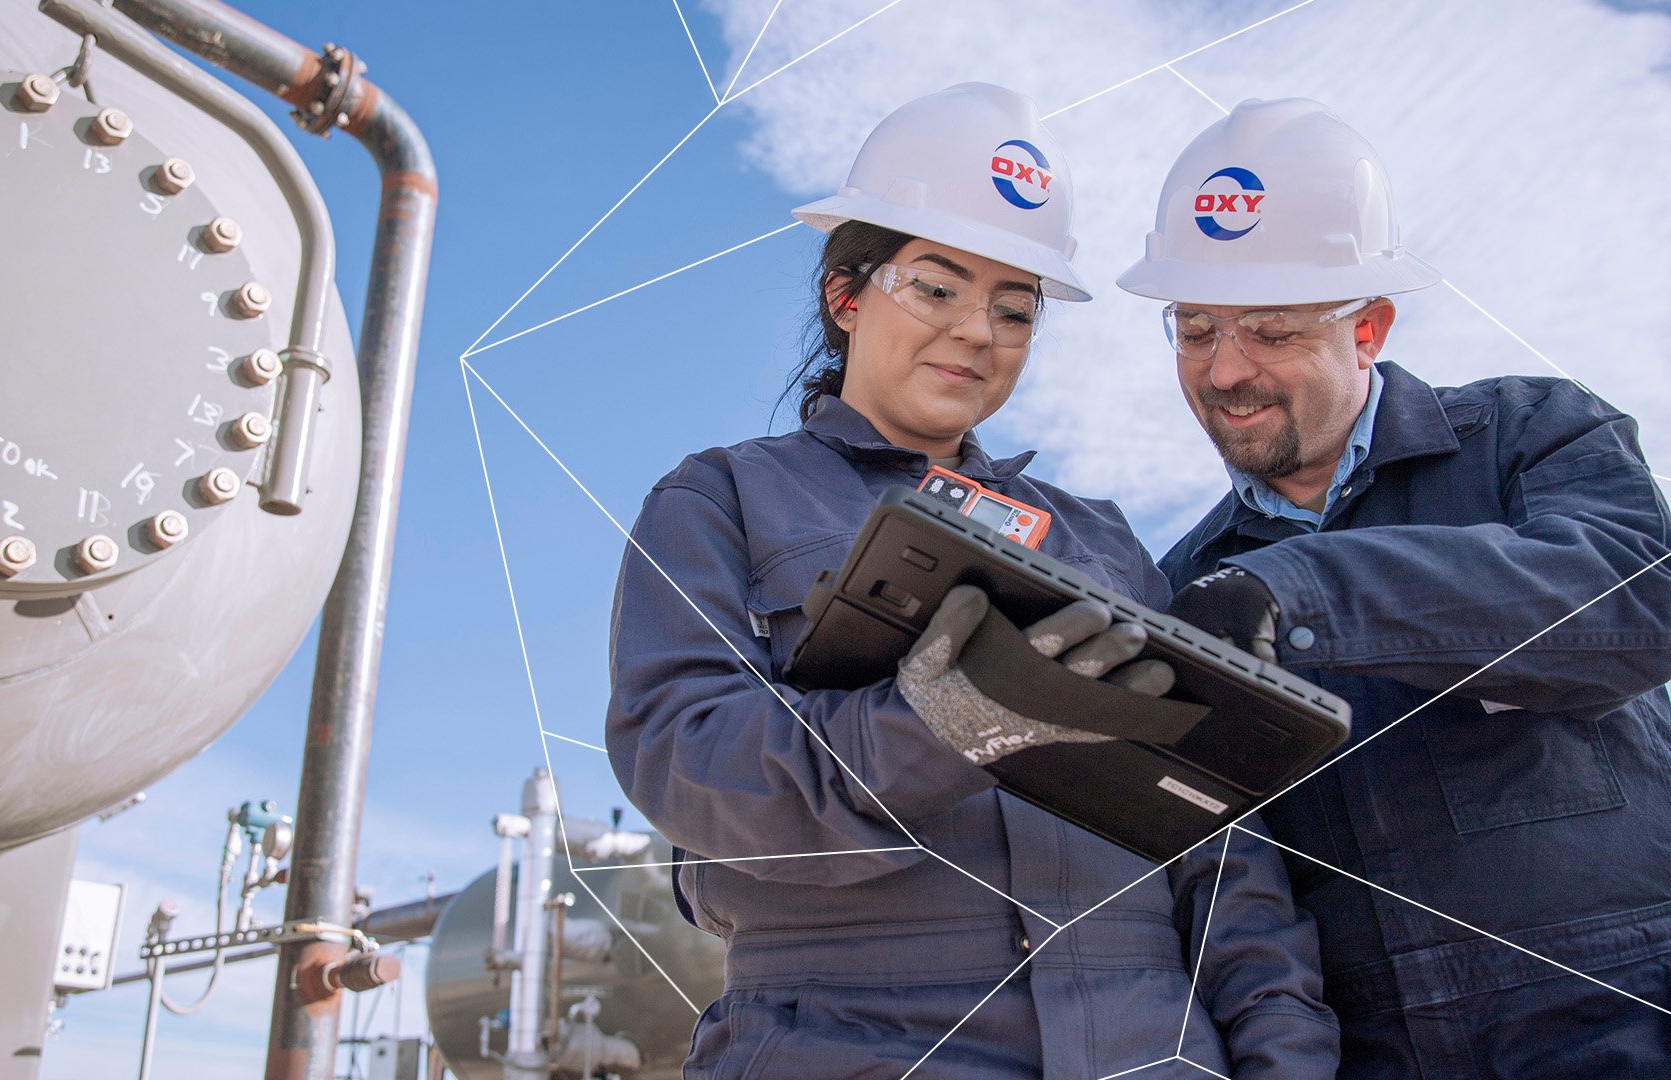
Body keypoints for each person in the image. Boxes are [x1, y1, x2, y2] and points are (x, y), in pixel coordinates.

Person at [605, 83, 1338, 1080]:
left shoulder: (1102, 542)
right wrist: (947, 716)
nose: (976, 333)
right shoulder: (722, 502)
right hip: (846, 1036)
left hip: (1150, 1048)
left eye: (1013, 308)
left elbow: (1222, 844)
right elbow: (687, 763)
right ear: (848, 295)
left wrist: (1282, 1055)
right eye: (937, 288)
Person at [1121, 98, 1671, 1078]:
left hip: (1617, 1016)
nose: (1224, 370)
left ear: (1367, 326)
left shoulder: (1530, 435)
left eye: (1271, 332)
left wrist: (1300, 596)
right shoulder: (1185, 587)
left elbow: (1634, 605)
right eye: (1194, 329)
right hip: (1375, 1052)